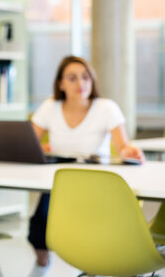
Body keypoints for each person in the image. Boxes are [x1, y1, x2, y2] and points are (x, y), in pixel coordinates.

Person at [28, 55, 144, 276]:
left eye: (86, 77)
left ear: (93, 81)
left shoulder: (106, 107)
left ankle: (98, 267)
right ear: (61, 83)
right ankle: (42, 265)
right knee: (38, 229)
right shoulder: (50, 106)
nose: (81, 84)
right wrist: (38, 148)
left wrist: (129, 151)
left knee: (90, 232)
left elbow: (123, 146)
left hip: (96, 183)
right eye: (72, 78)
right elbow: (29, 142)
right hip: (58, 182)